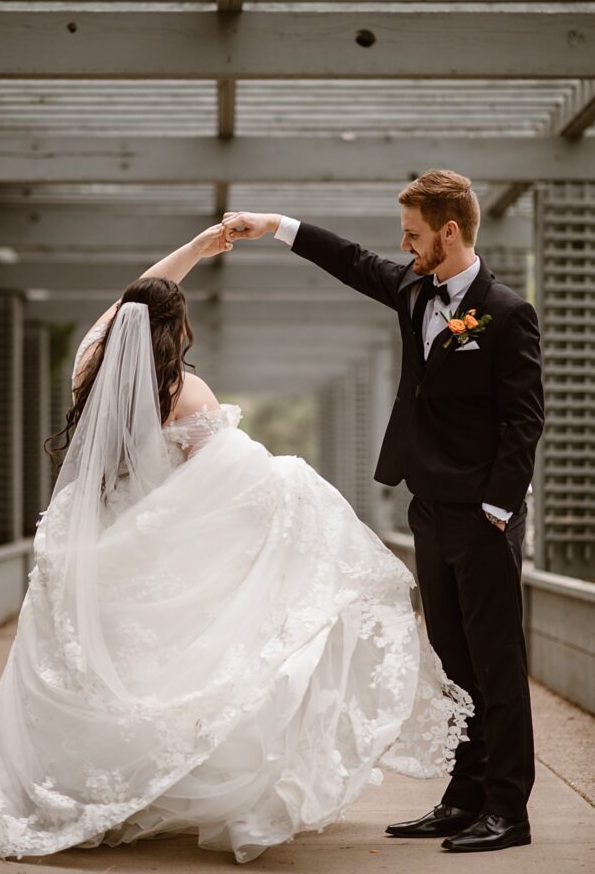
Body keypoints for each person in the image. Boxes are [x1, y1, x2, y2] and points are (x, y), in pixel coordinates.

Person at [0, 220, 475, 865]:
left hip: (101, 542)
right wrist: (296, 487)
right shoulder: (187, 392)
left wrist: (192, 251)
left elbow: (129, 304)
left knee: (107, 671)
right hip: (162, 549)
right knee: (204, 667)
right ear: (177, 331)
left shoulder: (91, 370)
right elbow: (238, 484)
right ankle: (169, 787)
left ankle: (80, 788)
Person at [221, 168, 544, 854]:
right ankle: (462, 799)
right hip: (428, 507)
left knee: (496, 663)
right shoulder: (410, 289)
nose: (403, 246)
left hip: (482, 517)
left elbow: (524, 423)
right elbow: (348, 260)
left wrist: (496, 509)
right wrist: (275, 225)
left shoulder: (507, 314)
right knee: (453, 662)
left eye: (413, 234)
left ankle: (506, 811)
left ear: (448, 232)